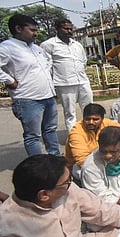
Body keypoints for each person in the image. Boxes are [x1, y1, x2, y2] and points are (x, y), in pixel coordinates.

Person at [0, 154, 120, 237]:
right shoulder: (7, 223)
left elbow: (106, 211)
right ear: (44, 195)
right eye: (66, 182)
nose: (71, 184)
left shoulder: (69, 191)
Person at [0, 14, 60, 156]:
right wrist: (9, 80)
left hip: (48, 96)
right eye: (32, 30)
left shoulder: (36, 48)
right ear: (18, 29)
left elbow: (47, 63)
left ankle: (56, 161)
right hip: (28, 98)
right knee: (33, 136)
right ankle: (38, 167)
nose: (35, 33)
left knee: (50, 130)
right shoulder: (7, 48)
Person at [40, 18, 93, 131]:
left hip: (83, 81)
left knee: (90, 110)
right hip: (65, 83)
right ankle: (74, 137)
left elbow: (83, 61)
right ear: (58, 29)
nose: (69, 31)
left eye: (71, 29)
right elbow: (46, 66)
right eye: (66, 29)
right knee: (70, 113)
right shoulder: (48, 45)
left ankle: (91, 133)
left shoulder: (77, 45)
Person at [65, 103, 120, 178]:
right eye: (87, 119)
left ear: (102, 119)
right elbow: (82, 161)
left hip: (107, 158)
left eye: (95, 119)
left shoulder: (107, 123)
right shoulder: (76, 132)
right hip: (82, 165)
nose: (91, 122)